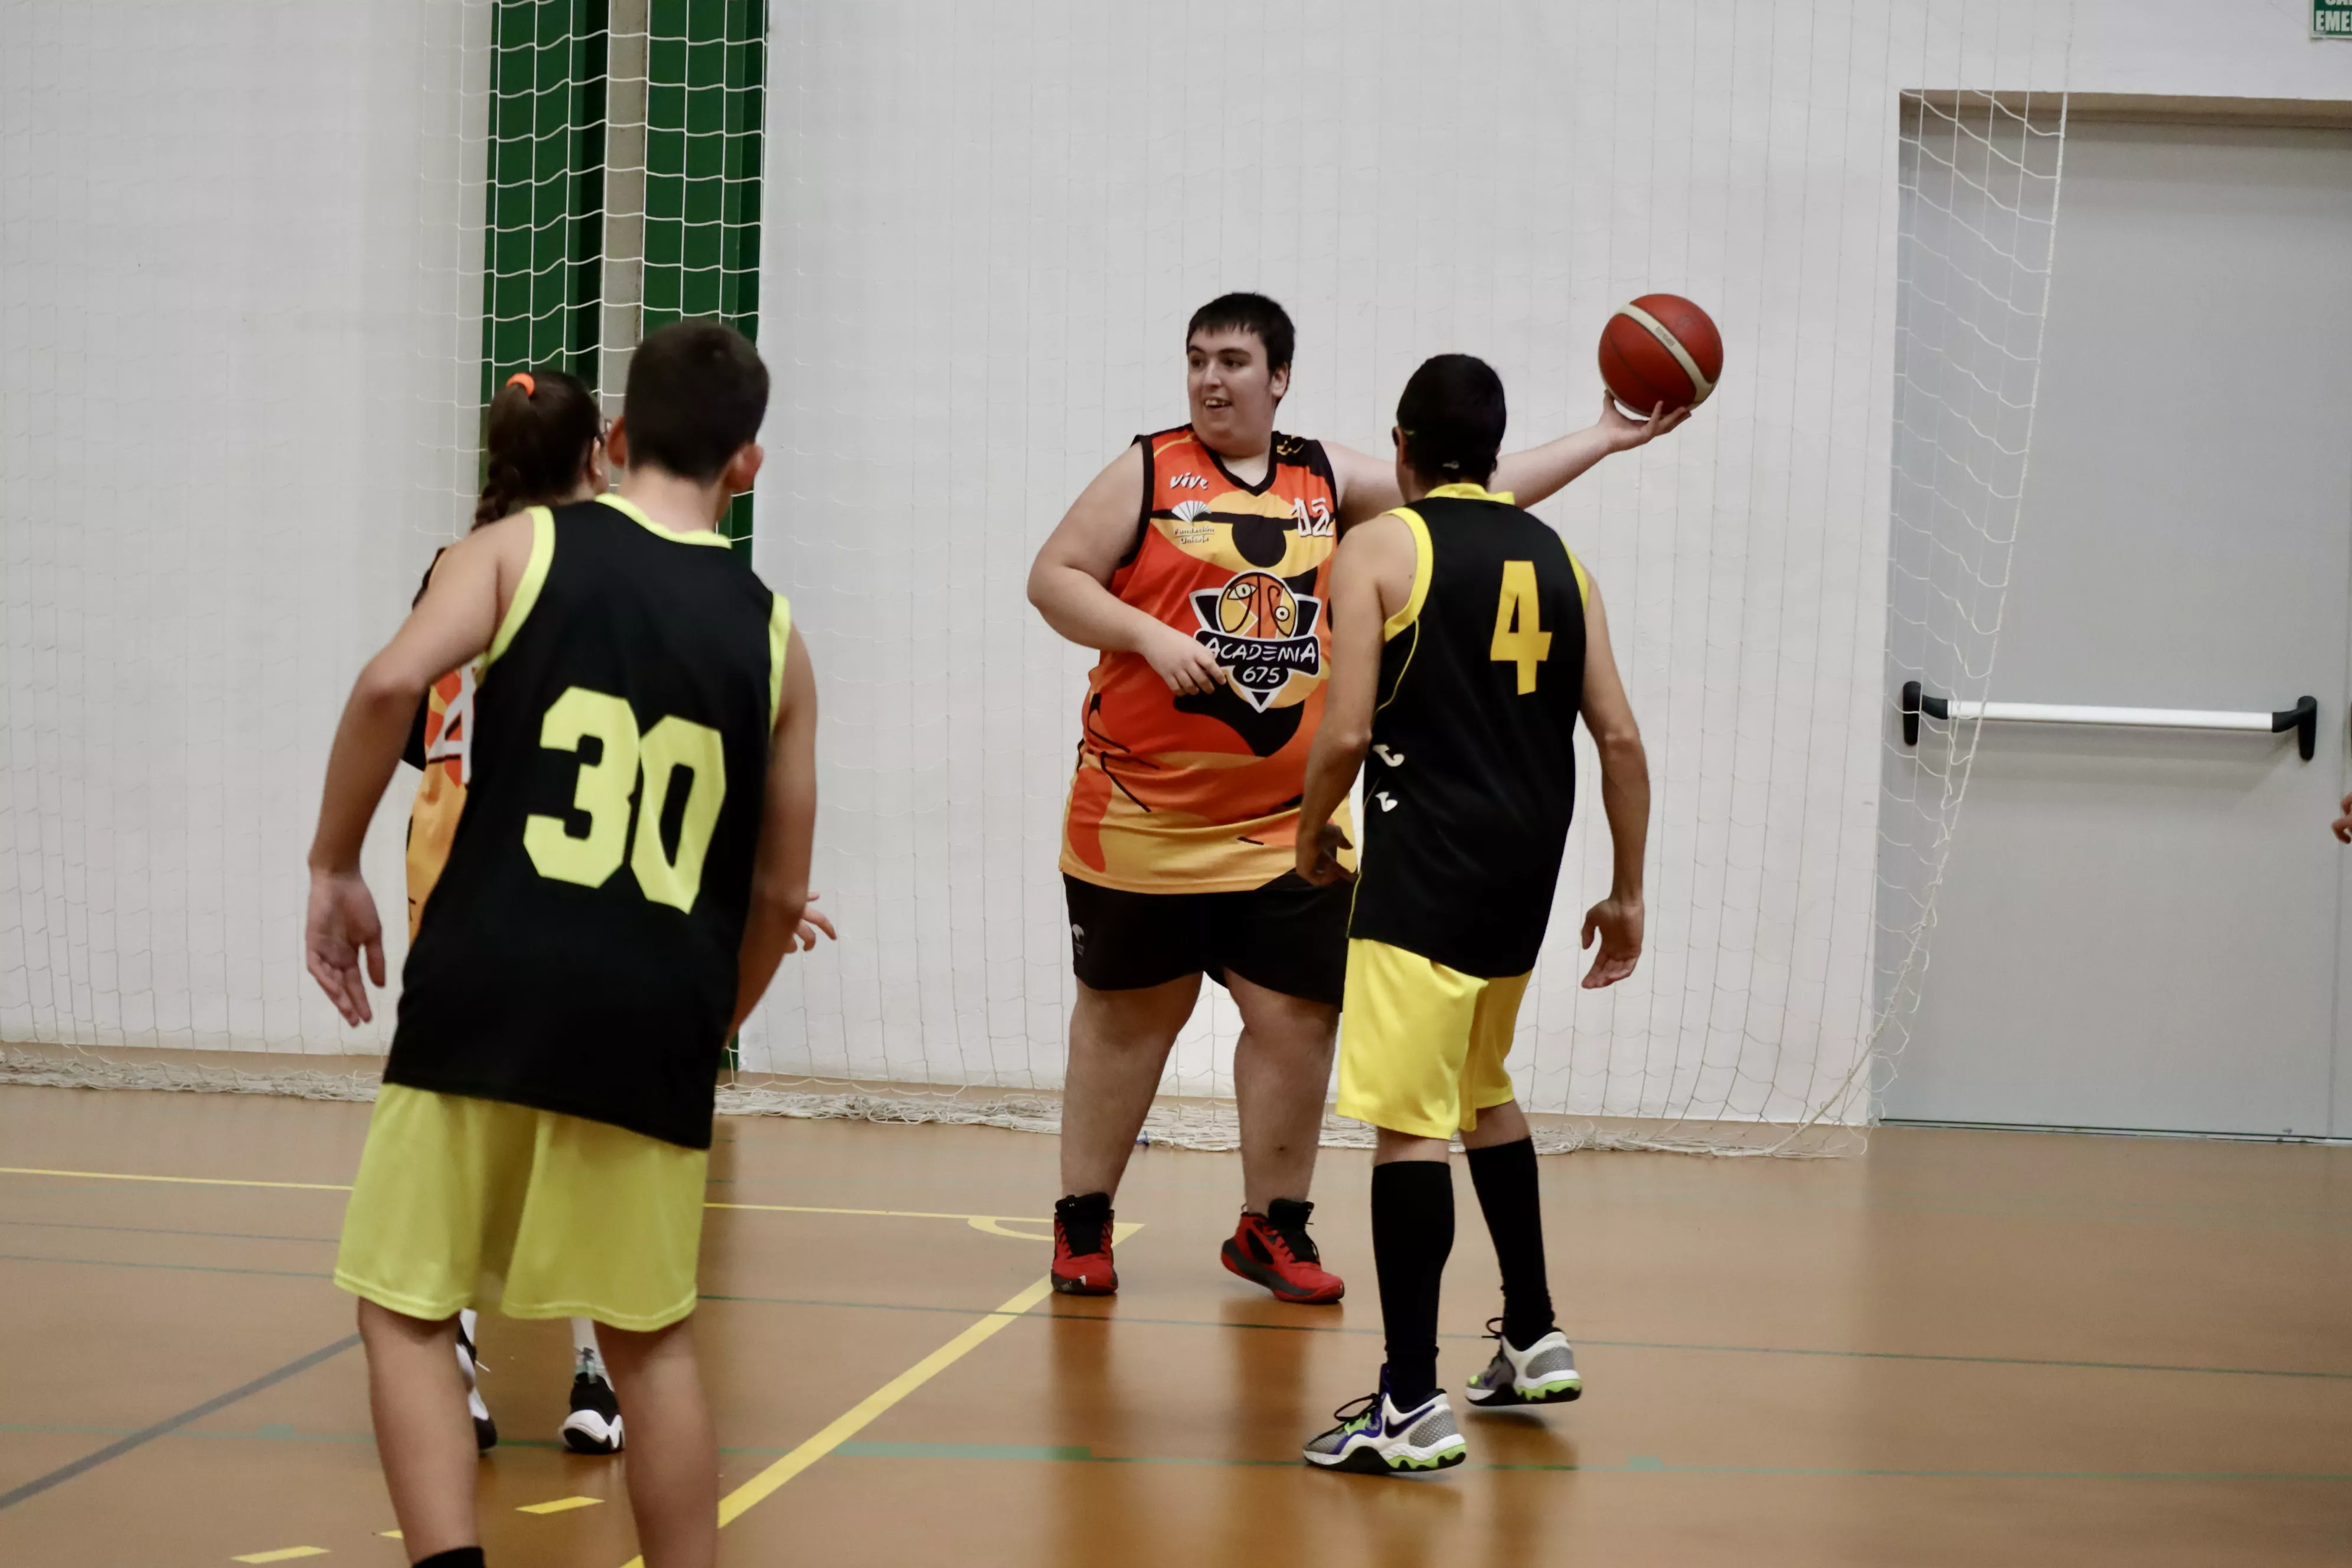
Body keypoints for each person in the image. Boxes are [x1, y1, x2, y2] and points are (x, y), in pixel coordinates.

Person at [1027, 293, 1683, 1302]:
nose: (1211, 379)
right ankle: (1084, 1221)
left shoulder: (1323, 478)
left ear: (1278, 377)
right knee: (1127, 1021)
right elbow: (1054, 577)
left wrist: (1603, 436)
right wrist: (1149, 637)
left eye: (1235, 361)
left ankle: (1272, 1227)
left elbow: (1477, 492)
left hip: (1289, 830)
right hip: (1141, 817)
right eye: (1198, 360)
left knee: (1295, 1019)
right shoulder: (1149, 469)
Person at [305, 319, 816, 1568]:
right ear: (749, 463)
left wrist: (333, 864)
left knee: (411, 1305)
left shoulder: (520, 545)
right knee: (652, 1341)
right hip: (652, 1012)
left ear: (616, 438)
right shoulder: (776, 636)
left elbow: (386, 689)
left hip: (490, 979)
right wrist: (709, 1026)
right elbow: (774, 894)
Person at [403, 368, 834, 1458]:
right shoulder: (616, 579)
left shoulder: (464, 567)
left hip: (462, 881)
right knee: (606, 1168)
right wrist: (753, 900)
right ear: (602, 452)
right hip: (595, 900)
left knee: (445, 1189)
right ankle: (598, 1375)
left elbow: (407, 722)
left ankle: (449, 1353)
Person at [1290, 354, 1668, 1474]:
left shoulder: (1378, 547)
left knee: (1407, 1128)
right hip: (1528, 877)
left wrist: (1313, 828)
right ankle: (1534, 1330)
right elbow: (1621, 739)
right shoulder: (1561, 559)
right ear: (1495, 454)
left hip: (1424, 875)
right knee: (1481, 1092)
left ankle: (1407, 1397)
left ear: (1401, 449)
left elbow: (1348, 733)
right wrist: (1630, 890)